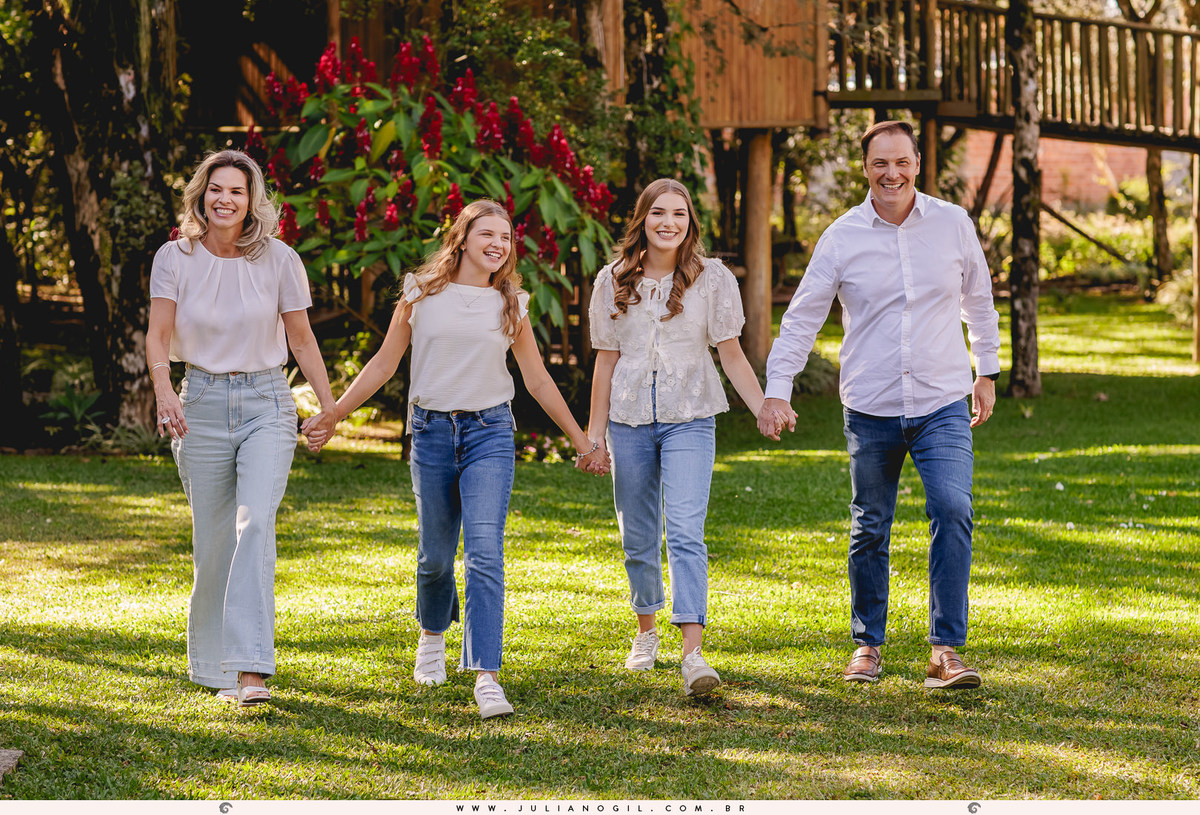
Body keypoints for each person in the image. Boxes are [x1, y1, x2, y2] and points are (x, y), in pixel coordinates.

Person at [301, 199, 608, 719]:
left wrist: (582, 440)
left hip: (489, 431)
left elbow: (535, 380)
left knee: (485, 552)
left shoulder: (513, 304)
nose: (498, 244)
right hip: (432, 433)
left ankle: (486, 674)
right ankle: (431, 636)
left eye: (506, 237)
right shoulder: (421, 293)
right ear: (462, 238)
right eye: (486, 233)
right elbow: (384, 363)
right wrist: (334, 414)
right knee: (436, 554)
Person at [757, 120, 1000, 689]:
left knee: (952, 508)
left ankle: (945, 650)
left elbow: (980, 302)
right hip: (871, 405)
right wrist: (777, 388)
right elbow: (802, 317)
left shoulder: (952, 223)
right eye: (879, 164)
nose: (891, 173)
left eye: (902, 162)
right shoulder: (842, 236)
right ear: (864, 169)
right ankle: (868, 643)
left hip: (942, 398)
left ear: (918, 163)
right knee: (871, 525)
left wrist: (986, 371)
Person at [146, 149, 337, 707]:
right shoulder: (173, 257)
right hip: (198, 400)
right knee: (213, 542)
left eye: (237, 190)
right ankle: (211, 667)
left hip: (266, 402)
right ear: (200, 196)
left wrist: (327, 408)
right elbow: (159, 335)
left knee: (254, 525)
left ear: (254, 200)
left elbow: (301, 339)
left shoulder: (279, 259)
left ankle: (251, 669)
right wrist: (163, 394)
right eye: (216, 189)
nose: (225, 199)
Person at [582, 178, 776, 697]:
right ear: (642, 219)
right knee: (638, 534)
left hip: (691, 415)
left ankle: (693, 652)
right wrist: (593, 435)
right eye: (659, 213)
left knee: (686, 530)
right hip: (627, 420)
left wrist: (762, 408)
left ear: (691, 223)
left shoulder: (712, 279)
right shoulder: (612, 280)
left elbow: (731, 353)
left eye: (680, 215)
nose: (669, 223)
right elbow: (605, 359)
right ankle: (646, 631)